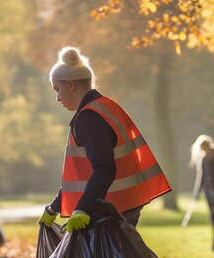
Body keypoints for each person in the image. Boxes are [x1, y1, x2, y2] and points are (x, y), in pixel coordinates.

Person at [38, 46, 171, 232]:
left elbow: (103, 168)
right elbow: (84, 175)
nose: (57, 98)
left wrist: (83, 209)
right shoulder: (106, 107)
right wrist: (54, 207)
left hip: (107, 211)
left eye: (57, 89)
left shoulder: (89, 118)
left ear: (70, 84)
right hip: (123, 204)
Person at [188, 135, 214, 251]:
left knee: (213, 216)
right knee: (213, 218)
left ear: (208, 145)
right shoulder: (203, 159)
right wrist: (197, 192)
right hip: (209, 192)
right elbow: (201, 177)